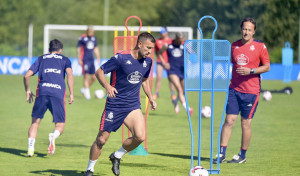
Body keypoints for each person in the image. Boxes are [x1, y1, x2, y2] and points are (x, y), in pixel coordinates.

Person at [83, 32, 157, 176]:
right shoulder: (120, 58)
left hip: (132, 105)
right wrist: (107, 87)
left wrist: (151, 97)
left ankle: (117, 155)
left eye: (152, 49)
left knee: (140, 137)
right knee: (101, 140)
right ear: (139, 44)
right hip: (115, 105)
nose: (149, 51)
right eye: (148, 47)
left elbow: (144, 80)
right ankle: (89, 169)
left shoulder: (147, 62)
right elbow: (100, 71)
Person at [213, 17, 270, 164]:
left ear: (254, 31)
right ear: (241, 29)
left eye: (249, 30)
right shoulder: (234, 46)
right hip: (234, 89)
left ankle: (242, 156)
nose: (246, 32)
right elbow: (231, 62)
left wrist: (251, 70)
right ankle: (221, 154)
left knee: (245, 123)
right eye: (244, 29)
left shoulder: (260, 46)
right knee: (229, 120)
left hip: (251, 92)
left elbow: (267, 67)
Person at [24, 39, 74, 157]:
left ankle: (30, 149)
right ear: (60, 50)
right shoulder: (65, 60)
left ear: (48, 49)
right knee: (60, 125)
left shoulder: (41, 59)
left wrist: (27, 90)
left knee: (35, 123)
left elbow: (27, 75)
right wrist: (71, 93)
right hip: (58, 93)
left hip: (42, 92)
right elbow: (70, 75)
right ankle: (53, 135)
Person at [159, 32, 193, 116]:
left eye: (183, 40)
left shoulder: (185, 45)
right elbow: (159, 53)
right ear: (176, 38)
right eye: (180, 40)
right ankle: (187, 109)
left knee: (184, 91)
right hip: (172, 70)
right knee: (179, 89)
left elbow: (192, 54)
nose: (182, 42)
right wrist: (164, 63)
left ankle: (175, 102)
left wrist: (192, 54)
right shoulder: (168, 45)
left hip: (182, 70)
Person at [153, 27, 178, 111]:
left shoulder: (171, 41)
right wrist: (160, 58)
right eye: (160, 32)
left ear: (166, 32)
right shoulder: (157, 41)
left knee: (171, 79)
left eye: (163, 32)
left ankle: (172, 93)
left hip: (169, 62)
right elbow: (156, 52)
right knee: (159, 77)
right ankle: (156, 93)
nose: (161, 34)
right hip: (160, 61)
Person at [77, 25, 101, 100]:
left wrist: (98, 56)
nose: (91, 32)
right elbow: (78, 49)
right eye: (90, 31)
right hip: (85, 59)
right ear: (87, 31)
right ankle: (87, 95)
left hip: (91, 60)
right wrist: (79, 59)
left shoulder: (94, 38)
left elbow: (95, 48)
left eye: (92, 31)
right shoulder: (82, 38)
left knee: (94, 77)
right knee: (86, 76)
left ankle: (84, 89)